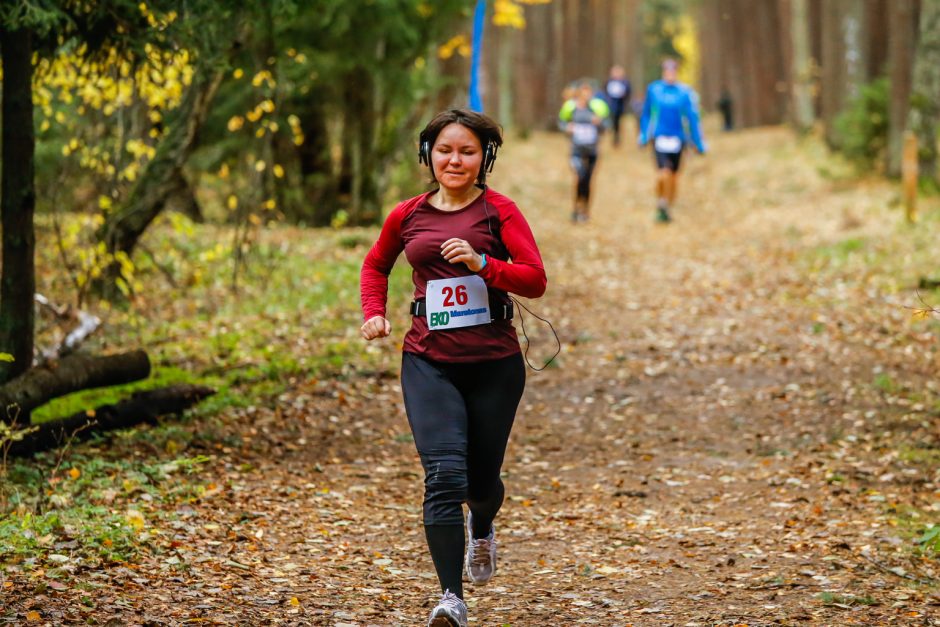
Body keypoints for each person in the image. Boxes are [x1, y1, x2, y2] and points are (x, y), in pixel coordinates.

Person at [359, 108, 547, 627]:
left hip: (493, 364)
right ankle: (451, 598)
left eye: (466, 151)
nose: (454, 160)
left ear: (483, 157)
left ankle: (482, 524)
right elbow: (377, 264)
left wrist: (483, 264)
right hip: (427, 360)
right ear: (428, 155)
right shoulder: (408, 214)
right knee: (443, 474)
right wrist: (374, 313)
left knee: (479, 482)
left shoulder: (499, 212)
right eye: (445, 150)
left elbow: (534, 279)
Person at [638, 58, 706, 223]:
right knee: (663, 174)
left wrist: (698, 142)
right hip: (660, 137)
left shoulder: (684, 92)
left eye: (673, 71)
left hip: (678, 139)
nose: (670, 74)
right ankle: (661, 201)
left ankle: (667, 206)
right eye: (667, 71)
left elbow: (692, 117)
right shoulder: (654, 89)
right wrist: (644, 135)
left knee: (674, 177)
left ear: (676, 72)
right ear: (663, 72)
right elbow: (646, 113)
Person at [558, 81, 610, 223]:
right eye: (583, 93)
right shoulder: (571, 108)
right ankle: (575, 207)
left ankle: (585, 210)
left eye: (589, 93)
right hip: (576, 150)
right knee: (580, 177)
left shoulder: (597, 108)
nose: (586, 96)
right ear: (579, 94)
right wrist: (567, 128)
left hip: (592, 150)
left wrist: (599, 123)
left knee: (588, 180)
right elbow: (561, 122)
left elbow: (606, 126)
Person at [604, 64, 632, 147]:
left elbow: (628, 93)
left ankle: (617, 137)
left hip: (620, 106)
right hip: (610, 106)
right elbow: (605, 92)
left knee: (617, 122)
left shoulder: (625, 82)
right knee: (612, 121)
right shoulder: (608, 82)